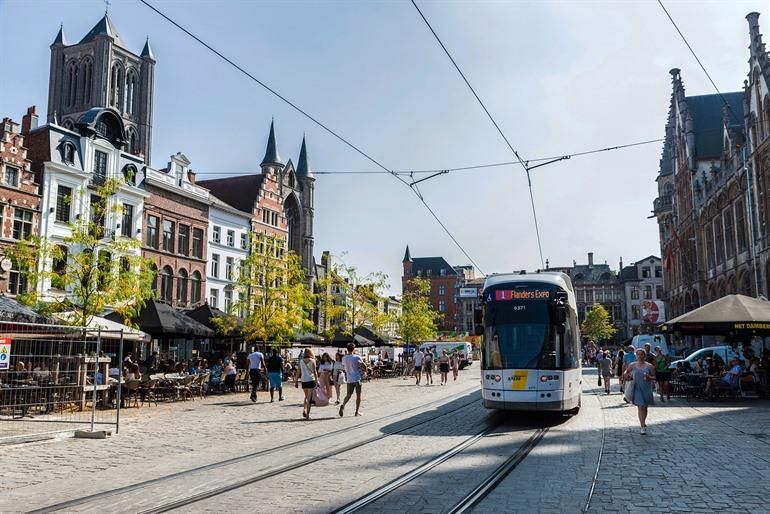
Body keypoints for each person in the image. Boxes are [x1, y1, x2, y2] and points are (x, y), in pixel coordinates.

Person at [623, 349, 655, 434]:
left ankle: (643, 422)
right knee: (640, 406)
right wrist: (626, 374)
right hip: (636, 388)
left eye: (641, 355)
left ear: (645, 356)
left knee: (645, 407)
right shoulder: (632, 365)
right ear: (636, 356)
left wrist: (649, 377)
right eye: (638, 355)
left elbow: (654, 377)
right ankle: (642, 427)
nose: (640, 356)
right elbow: (626, 372)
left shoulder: (650, 366)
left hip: (646, 388)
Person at [340, 343, 364, 417]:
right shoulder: (357, 357)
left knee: (348, 395)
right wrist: (364, 371)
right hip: (357, 378)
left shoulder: (344, 358)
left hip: (349, 379)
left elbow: (343, 366)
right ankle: (356, 412)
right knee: (358, 395)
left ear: (347, 349)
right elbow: (363, 365)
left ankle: (343, 405)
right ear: (354, 349)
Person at [295, 348, 318, 419]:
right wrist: (317, 381)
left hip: (304, 380)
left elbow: (298, 371)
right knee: (309, 398)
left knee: (306, 396)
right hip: (310, 380)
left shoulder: (301, 361)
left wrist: (296, 381)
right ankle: (307, 415)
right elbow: (315, 372)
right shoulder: (312, 361)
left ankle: (304, 409)